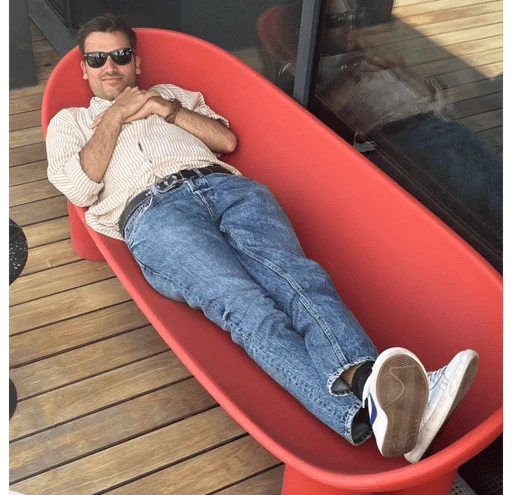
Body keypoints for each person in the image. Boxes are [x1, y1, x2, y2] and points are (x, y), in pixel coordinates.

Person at [46, 13, 479, 463]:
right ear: (84, 68)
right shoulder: (70, 123)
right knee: (248, 307)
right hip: (154, 215)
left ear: (136, 62)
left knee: (298, 278)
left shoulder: (173, 96)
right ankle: (382, 404)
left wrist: (164, 109)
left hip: (226, 188)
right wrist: (116, 115)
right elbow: (79, 188)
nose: (110, 66)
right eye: (97, 59)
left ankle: (382, 397)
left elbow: (225, 140)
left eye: (120, 55)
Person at [273, 0, 503, 235]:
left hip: (441, 124)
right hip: (402, 140)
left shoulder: (366, 53)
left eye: (351, 17)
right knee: (483, 200)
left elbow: (420, 88)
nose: (349, 26)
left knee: (497, 173)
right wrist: (353, 72)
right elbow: (314, 119)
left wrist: (393, 63)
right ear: (307, 31)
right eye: (336, 21)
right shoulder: (304, 69)